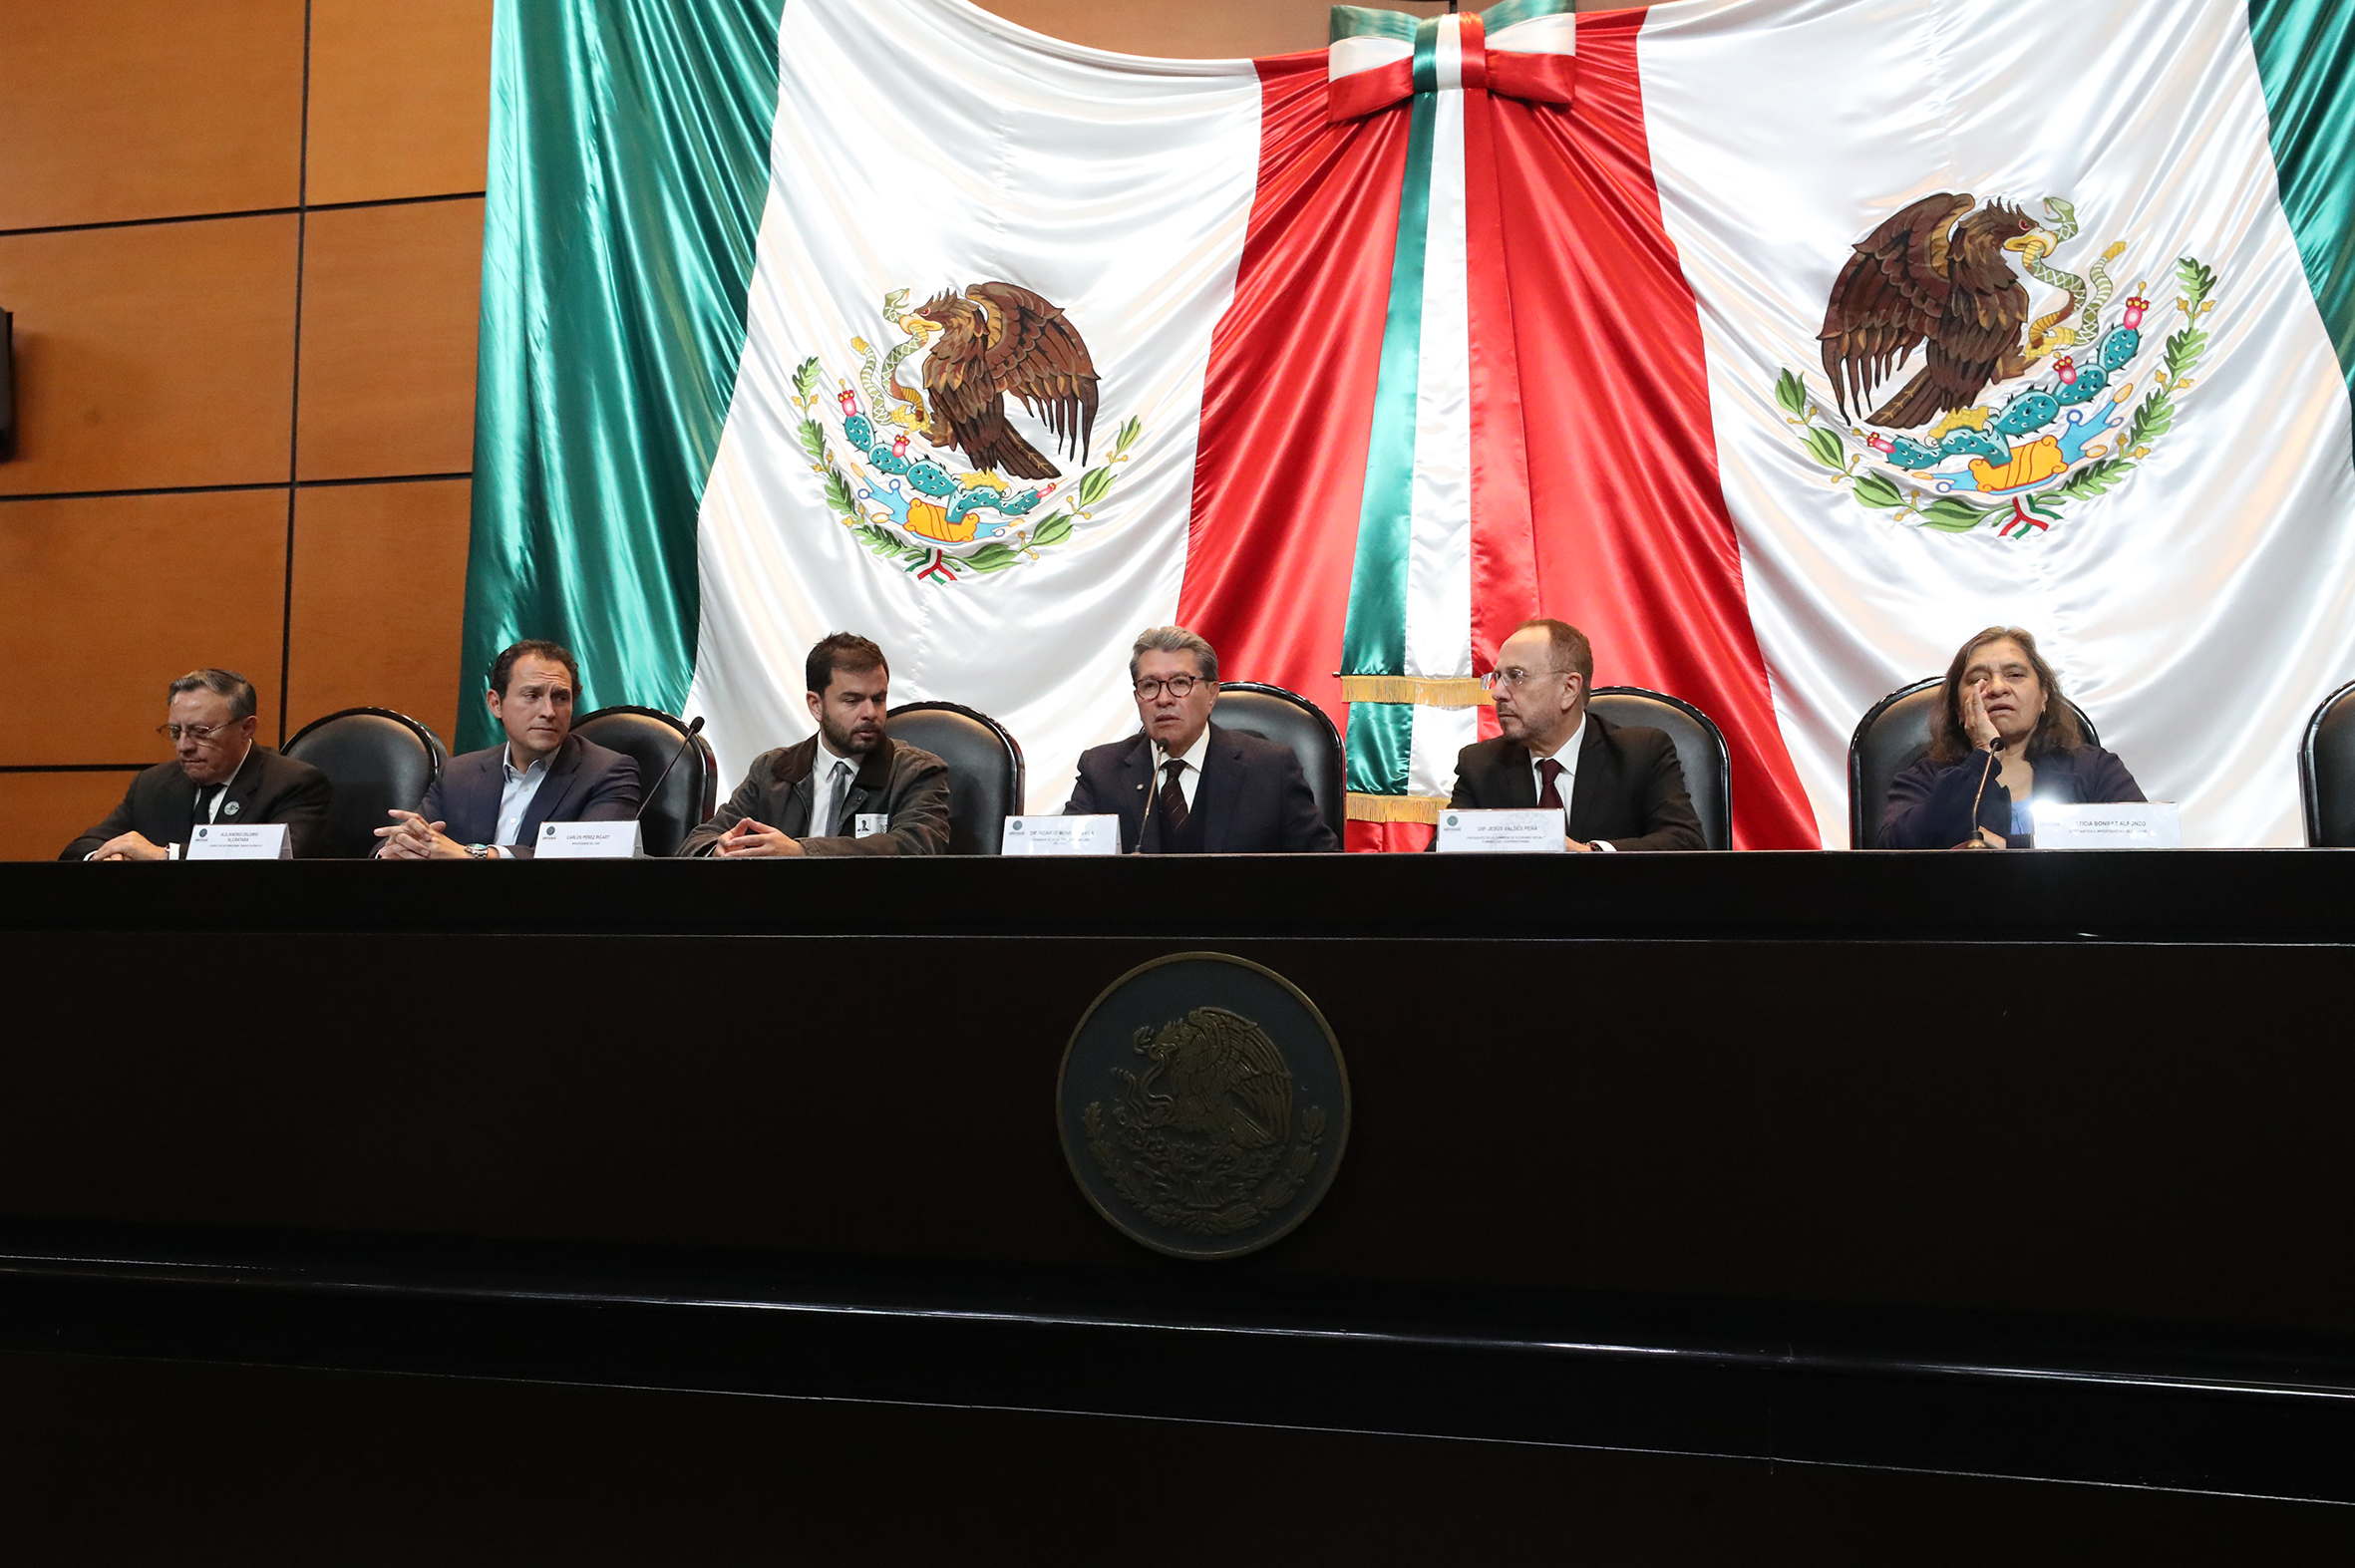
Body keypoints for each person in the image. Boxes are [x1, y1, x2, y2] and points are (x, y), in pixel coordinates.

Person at [1063, 626, 1337, 853]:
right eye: (1149, 686)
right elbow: (1064, 863)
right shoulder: (1101, 770)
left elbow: (1326, 870)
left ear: (1211, 694)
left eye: (1180, 683)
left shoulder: (1271, 769)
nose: (1163, 699)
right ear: (1137, 698)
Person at [1439, 618, 1705, 851]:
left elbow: (1685, 842)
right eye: (1497, 677)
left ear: (1568, 689)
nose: (1497, 693)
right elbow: (1439, 863)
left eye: (1516, 676)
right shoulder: (1480, 764)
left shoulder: (1641, 753)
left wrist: (1590, 853)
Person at [676, 633, 950, 857]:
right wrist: (719, 850)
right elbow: (698, 842)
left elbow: (917, 847)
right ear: (816, 705)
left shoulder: (916, 772)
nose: (870, 713)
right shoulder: (773, 771)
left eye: (878, 699)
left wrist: (803, 852)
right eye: (853, 700)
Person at [375, 640, 641, 860]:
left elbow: (593, 860)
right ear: (495, 704)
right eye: (532, 696)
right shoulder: (458, 773)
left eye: (561, 697)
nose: (548, 712)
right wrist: (399, 849)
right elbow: (398, 843)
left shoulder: (608, 772)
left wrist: (476, 855)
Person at [1882, 625, 2143, 849]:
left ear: (2044, 697)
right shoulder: (1926, 776)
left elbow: (2146, 841)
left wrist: (2010, 848)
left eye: (2015, 675)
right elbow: (1891, 854)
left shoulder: (2095, 768)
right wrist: (1983, 754)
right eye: (1979, 679)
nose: (1997, 688)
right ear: (1959, 708)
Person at [63, 669, 333, 860]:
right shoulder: (152, 784)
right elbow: (81, 847)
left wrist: (167, 856)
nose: (184, 746)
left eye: (201, 732)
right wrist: (106, 856)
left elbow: (271, 859)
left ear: (246, 728)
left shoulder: (293, 783)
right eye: (175, 732)